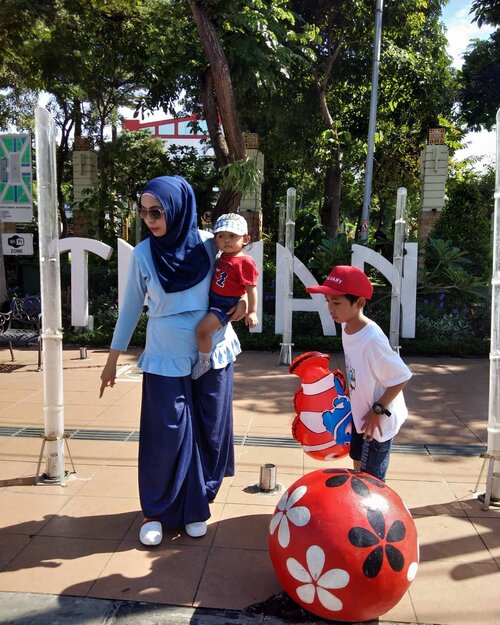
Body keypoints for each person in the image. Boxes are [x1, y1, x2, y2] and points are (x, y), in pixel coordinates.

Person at [99, 176, 245, 546]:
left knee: (210, 427)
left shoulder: (210, 245)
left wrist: (243, 308)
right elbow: (131, 308)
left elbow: (242, 279)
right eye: (144, 211)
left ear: (177, 209)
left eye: (157, 211)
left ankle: (197, 506)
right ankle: (157, 511)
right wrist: (112, 359)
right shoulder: (144, 254)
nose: (149, 218)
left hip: (213, 349)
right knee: (166, 434)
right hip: (164, 354)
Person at [306, 265, 412, 481]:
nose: (330, 308)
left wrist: (378, 409)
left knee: (372, 481)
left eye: (336, 303)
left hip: (377, 422)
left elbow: (401, 376)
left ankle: (374, 513)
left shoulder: (372, 339)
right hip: (360, 414)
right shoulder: (347, 327)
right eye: (328, 302)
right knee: (358, 466)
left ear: (359, 303)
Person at [192, 213, 259, 380]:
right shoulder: (222, 255)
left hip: (224, 305)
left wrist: (251, 311)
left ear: (245, 239)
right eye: (221, 236)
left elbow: (252, 288)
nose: (226, 240)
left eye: (232, 236)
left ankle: (204, 361)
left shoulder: (245, 261)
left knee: (202, 331)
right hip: (213, 299)